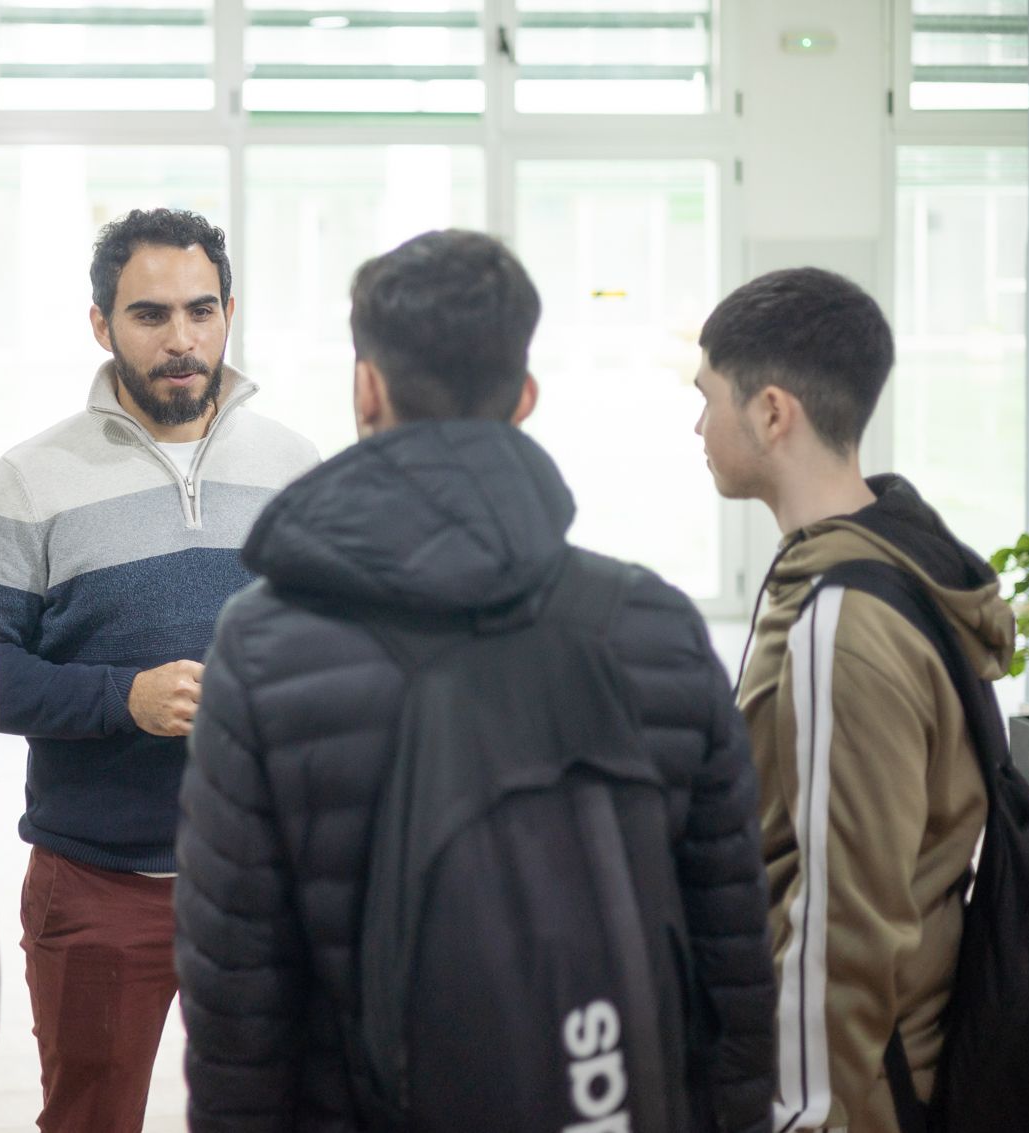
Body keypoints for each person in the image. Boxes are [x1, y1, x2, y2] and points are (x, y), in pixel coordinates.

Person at [174, 228, 776, 1132]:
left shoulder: (262, 649)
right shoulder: (654, 626)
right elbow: (733, 955)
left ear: (365, 387)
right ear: (525, 396)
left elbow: (239, 1007)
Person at [0, 207, 317, 1133]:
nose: (181, 339)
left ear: (229, 312)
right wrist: (124, 698)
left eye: (201, 310)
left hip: (267, 882)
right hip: (98, 884)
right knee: (90, 1120)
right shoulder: (32, 479)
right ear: (101, 324)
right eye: (150, 315)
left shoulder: (296, 470)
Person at [693, 267, 1015, 1132]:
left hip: (855, 1093)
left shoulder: (844, 613)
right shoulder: (884, 562)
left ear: (770, 411)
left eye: (708, 397)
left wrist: (804, 1114)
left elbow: (845, 921)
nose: (698, 425)